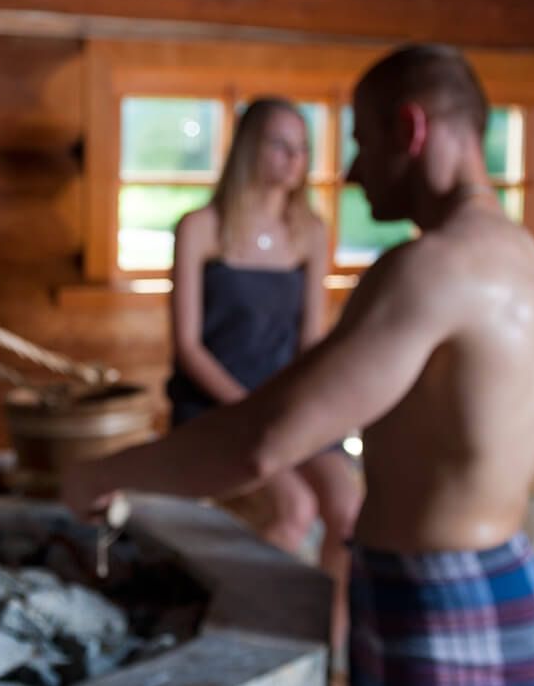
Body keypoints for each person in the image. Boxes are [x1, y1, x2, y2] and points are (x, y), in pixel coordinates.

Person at [63, 44, 534, 686]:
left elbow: (261, 443)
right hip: (508, 585)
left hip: (433, 600)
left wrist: (102, 475)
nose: (355, 172)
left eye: (361, 141)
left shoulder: (431, 270)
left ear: (410, 130)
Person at [166, 96, 363, 653]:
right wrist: (250, 409)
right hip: (216, 405)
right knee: (293, 508)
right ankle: (247, 646)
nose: (293, 159)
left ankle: (327, 650)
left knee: (347, 512)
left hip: (288, 404)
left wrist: (317, 405)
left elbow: (311, 342)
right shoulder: (201, 228)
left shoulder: (309, 232)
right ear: (250, 147)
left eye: (301, 148)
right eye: (280, 144)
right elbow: (187, 346)